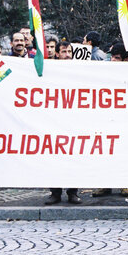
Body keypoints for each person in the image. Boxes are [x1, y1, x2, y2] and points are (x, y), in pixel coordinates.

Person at [44, 41, 82, 206]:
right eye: (64, 52)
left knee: (73, 158)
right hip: (54, 121)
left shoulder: (78, 71)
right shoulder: (50, 71)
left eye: (69, 52)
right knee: (54, 158)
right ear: (57, 54)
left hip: (73, 121)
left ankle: (73, 192)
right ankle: (55, 192)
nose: (67, 55)